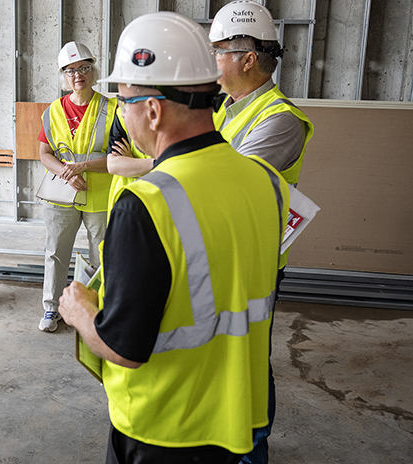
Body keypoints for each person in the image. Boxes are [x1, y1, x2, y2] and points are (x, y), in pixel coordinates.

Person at [58, 12, 290, 463]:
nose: (122, 115)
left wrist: (80, 311)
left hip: (164, 428)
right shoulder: (265, 182)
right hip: (237, 417)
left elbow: (125, 349)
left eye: (123, 101)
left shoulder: (146, 204)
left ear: (153, 109)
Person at [209, 2, 314, 462]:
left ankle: (252, 451)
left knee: (249, 360)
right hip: (215, 252)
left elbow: (220, 177)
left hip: (253, 263)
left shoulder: (280, 119)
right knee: (218, 356)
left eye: (218, 51)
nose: (212, 61)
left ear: (248, 58)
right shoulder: (225, 109)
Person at [36, 41, 116, 332]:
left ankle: (98, 309)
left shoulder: (113, 109)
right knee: (56, 252)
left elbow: (120, 156)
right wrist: (68, 174)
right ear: (63, 76)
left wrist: (82, 167)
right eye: (70, 70)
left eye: (83, 68)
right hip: (61, 195)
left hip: (101, 195)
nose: (77, 74)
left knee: (102, 254)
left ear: (93, 72)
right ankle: (51, 309)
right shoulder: (53, 111)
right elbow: (45, 153)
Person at [105, 108, 153, 215]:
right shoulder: (122, 113)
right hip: (126, 196)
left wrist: (131, 162)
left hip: (159, 196)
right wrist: (160, 164)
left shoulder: (173, 113)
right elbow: (113, 165)